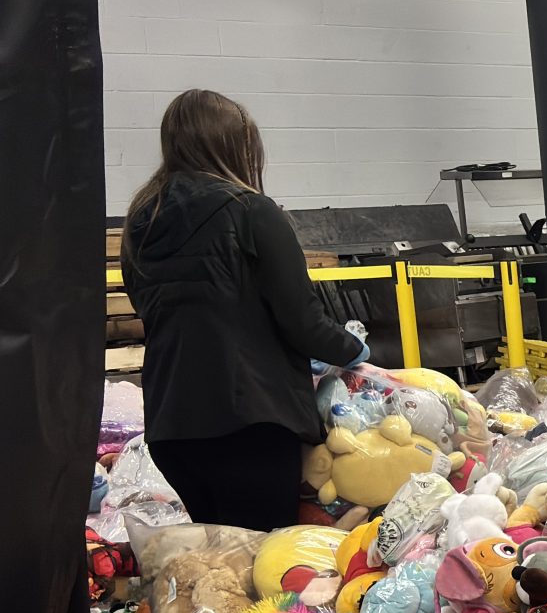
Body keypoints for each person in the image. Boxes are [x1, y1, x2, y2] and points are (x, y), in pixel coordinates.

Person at [124, 89, 366, 531]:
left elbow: (154, 310)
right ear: (236, 147)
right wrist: (356, 351)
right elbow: (301, 319)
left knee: (220, 565)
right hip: (250, 421)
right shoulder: (251, 211)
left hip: (172, 425)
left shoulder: (140, 221)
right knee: (262, 567)